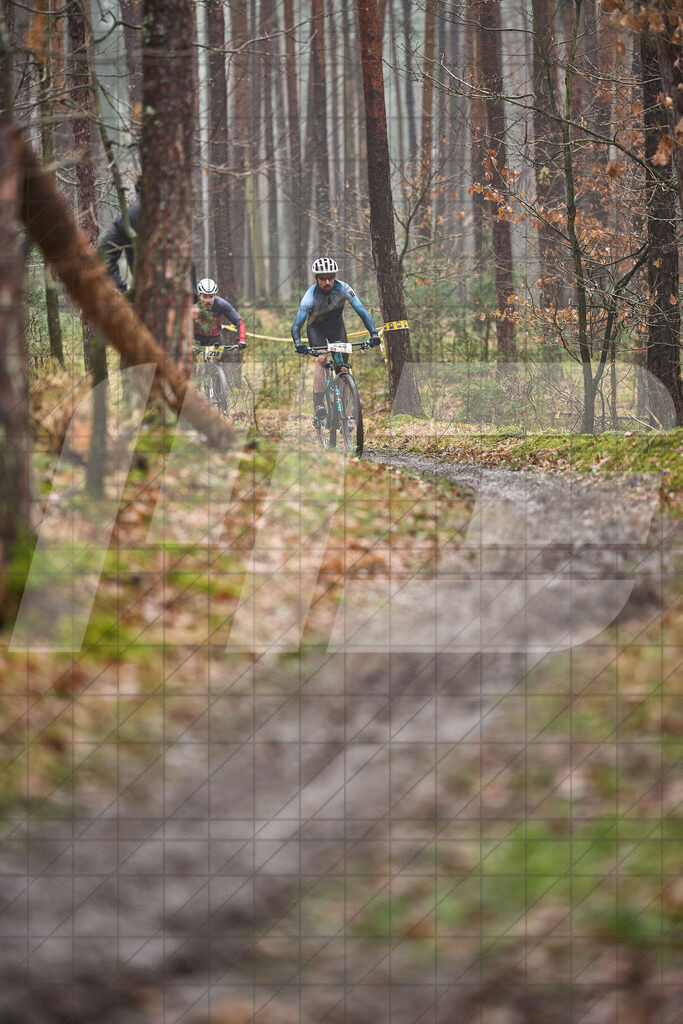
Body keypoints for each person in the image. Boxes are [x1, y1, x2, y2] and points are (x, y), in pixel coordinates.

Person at [291, 257, 381, 424]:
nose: (327, 282)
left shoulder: (344, 288)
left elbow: (362, 311)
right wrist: (298, 343)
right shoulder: (310, 295)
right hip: (316, 329)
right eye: (323, 278)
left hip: (336, 329)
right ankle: (319, 404)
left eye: (331, 277)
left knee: (343, 368)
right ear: (316, 278)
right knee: (321, 359)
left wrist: (374, 334)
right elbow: (297, 325)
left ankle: (344, 414)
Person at [99, 193, 140, 296]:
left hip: (145, 298)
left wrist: (123, 290)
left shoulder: (129, 215)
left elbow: (103, 257)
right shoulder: (178, 209)